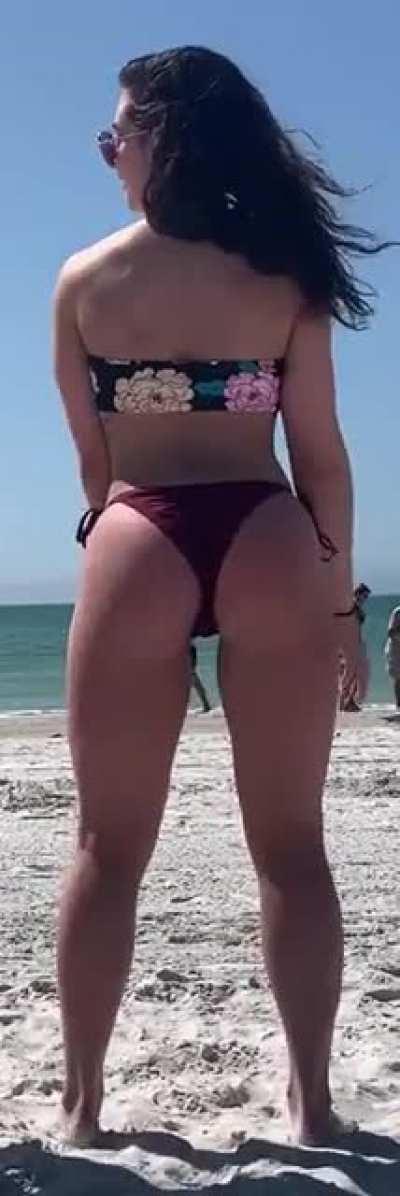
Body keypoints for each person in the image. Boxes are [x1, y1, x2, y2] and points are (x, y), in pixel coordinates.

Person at [53, 46, 391, 1147]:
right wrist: (340, 610)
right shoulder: (285, 276)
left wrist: (118, 566)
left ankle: (83, 1108)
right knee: (291, 844)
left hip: (138, 532)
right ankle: (313, 1103)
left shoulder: (84, 281)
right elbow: (322, 458)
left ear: (163, 136)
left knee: (106, 847)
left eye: (116, 134)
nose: (108, 153)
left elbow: (96, 467)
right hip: (267, 531)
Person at [339, 583, 371, 711]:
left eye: (366, 597)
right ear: (358, 594)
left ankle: (349, 700)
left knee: (356, 674)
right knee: (350, 673)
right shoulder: (351, 606)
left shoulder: (356, 607)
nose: (365, 599)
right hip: (350, 644)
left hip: (356, 643)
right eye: (364, 596)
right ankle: (343, 701)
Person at [384, 606, 400, 708]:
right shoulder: (398, 612)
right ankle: (399, 703)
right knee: (398, 676)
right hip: (396, 649)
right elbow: (390, 632)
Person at [190, 643, 211, 712]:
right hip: (190, 671)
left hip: (190, 671)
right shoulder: (192, 647)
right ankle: (206, 706)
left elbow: (194, 660)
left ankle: (206, 706)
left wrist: (192, 669)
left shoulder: (191, 647)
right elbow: (194, 660)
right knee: (199, 688)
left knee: (199, 688)